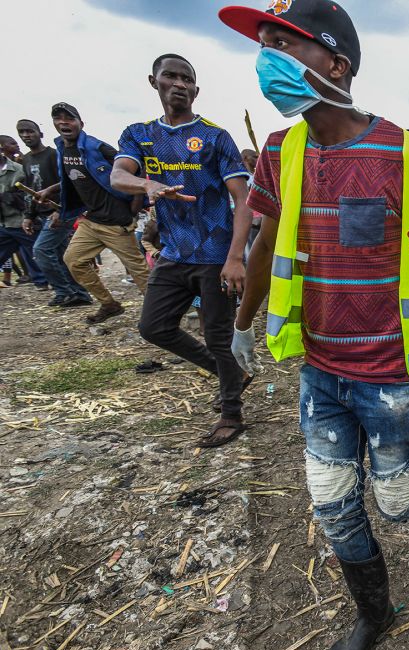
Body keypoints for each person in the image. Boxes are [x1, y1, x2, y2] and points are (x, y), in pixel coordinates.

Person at [219, 0, 409, 650]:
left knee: (399, 503)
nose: (268, 61)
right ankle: (374, 613)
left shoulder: (405, 152)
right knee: (334, 507)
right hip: (320, 372)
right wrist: (243, 323)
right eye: (266, 45)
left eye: (286, 44)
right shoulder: (281, 153)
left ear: (336, 65)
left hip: (393, 375)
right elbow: (265, 242)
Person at [109, 54, 252, 448]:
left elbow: (244, 199)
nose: (179, 84)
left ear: (196, 89)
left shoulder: (215, 136)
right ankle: (231, 375)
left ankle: (231, 412)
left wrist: (236, 258)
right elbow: (119, 175)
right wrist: (146, 186)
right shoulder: (138, 134)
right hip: (173, 252)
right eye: (170, 76)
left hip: (215, 254)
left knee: (219, 336)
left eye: (186, 78)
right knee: (153, 327)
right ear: (153, 81)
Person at [34, 103, 150, 321]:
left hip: (116, 222)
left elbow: (136, 169)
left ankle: (160, 313)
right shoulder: (63, 149)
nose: (64, 122)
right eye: (58, 119)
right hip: (91, 220)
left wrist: (135, 207)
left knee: (139, 271)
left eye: (69, 118)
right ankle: (109, 304)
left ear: (81, 123)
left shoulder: (97, 148)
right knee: (74, 260)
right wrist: (50, 190)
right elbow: (73, 177)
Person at [17, 119, 91, 306]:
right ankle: (80, 294)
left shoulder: (53, 155)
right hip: (42, 213)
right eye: (22, 132)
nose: (26, 135)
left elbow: (70, 183)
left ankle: (64, 292)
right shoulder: (26, 159)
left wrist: (62, 210)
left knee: (41, 250)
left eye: (30, 131)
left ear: (40, 134)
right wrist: (29, 216)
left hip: (60, 212)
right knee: (62, 255)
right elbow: (30, 191)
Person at [0, 145, 46, 289]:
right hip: (3, 223)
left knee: (38, 252)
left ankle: (45, 282)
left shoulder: (18, 169)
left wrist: (8, 197)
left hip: (21, 220)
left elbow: (30, 193)